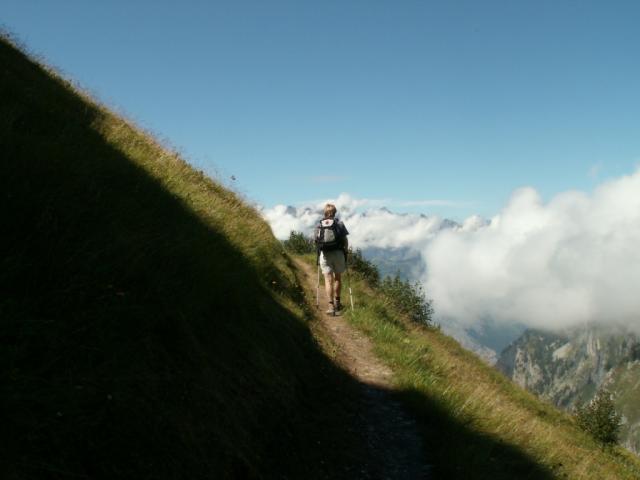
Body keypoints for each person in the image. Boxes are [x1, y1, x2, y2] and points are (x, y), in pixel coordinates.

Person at [315, 203, 349, 315]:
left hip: (325, 254)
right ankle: (337, 303)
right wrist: (345, 251)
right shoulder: (339, 224)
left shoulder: (319, 225)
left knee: (328, 280)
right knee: (337, 278)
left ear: (324, 212)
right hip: (338, 253)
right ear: (335, 212)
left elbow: (316, 241)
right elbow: (345, 240)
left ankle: (330, 306)